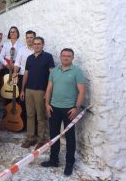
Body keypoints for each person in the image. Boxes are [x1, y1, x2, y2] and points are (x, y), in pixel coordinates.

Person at [41, 48, 86, 176]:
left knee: (70, 137)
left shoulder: (77, 72)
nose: (66, 58)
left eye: (68, 56)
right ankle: (54, 160)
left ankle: (69, 163)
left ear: (72, 58)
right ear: (60, 57)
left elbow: (82, 91)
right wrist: (47, 104)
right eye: (64, 55)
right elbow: (49, 89)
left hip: (69, 109)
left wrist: (76, 107)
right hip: (54, 108)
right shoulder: (54, 71)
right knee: (54, 135)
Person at [20, 37, 55, 150]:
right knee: (30, 115)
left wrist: (48, 92)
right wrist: (22, 89)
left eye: (38, 44)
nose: (36, 45)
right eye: (35, 44)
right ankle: (30, 138)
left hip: (41, 90)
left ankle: (41, 140)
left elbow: (52, 75)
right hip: (28, 90)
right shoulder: (29, 58)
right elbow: (26, 74)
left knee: (41, 116)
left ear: (43, 45)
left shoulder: (48, 57)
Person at [13, 30, 36, 129]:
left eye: (31, 37)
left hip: (34, 78)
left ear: (34, 38)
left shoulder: (37, 50)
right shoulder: (22, 50)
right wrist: (14, 73)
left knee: (33, 103)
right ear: (25, 38)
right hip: (22, 77)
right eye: (27, 37)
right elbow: (17, 63)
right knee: (22, 101)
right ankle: (22, 125)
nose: (29, 39)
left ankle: (32, 127)